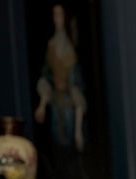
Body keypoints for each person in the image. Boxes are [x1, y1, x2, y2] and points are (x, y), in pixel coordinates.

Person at [34, 4, 86, 152]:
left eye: (60, 15)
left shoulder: (70, 47)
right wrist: (42, 105)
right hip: (56, 105)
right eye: (54, 15)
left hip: (70, 107)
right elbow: (46, 76)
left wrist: (78, 131)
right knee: (58, 147)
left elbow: (76, 85)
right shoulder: (51, 45)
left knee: (70, 148)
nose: (57, 19)